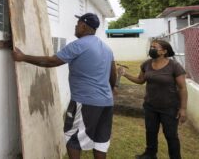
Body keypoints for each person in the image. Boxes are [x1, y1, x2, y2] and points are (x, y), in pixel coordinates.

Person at [12, 13, 117, 159]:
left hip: (85, 102)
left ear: (83, 25)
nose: (75, 26)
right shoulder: (106, 48)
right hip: (106, 103)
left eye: (77, 23)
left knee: (72, 138)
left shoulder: (79, 45)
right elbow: (113, 74)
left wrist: (23, 57)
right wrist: (111, 89)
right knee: (100, 141)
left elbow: (51, 62)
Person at [118, 39, 188, 159]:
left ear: (164, 51)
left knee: (171, 135)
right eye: (151, 47)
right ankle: (150, 154)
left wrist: (183, 108)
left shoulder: (174, 66)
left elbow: (182, 88)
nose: (152, 49)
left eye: (155, 47)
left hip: (169, 107)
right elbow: (140, 80)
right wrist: (125, 74)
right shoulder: (146, 64)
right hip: (150, 106)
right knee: (150, 132)